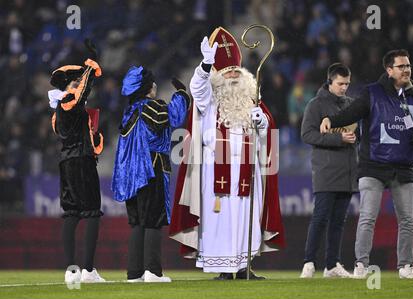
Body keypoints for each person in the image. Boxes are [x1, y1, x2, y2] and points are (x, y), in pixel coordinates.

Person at [169, 27, 285, 280]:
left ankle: (244, 267)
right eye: (226, 71)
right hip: (215, 167)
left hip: (247, 169)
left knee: (246, 215)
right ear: (217, 77)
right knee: (218, 218)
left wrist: (262, 121)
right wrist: (206, 64)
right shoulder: (209, 98)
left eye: (236, 71)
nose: (232, 74)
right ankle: (223, 269)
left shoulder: (252, 100)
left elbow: (267, 135)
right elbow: (197, 87)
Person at [320, 49, 413, 279]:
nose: (406, 69)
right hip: (373, 165)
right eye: (401, 66)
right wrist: (331, 119)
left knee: (408, 221)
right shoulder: (372, 93)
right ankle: (361, 265)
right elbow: (352, 113)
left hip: (403, 167)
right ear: (389, 70)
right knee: (368, 217)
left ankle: (406, 267)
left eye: (408, 65)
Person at [112, 66, 189, 282]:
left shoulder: (129, 112)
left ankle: (134, 273)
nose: (155, 86)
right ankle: (153, 272)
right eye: (152, 83)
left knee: (137, 223)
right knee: (153, 221)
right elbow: (175, 115)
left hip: (130, 174)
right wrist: (182, 94)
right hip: (151, 169)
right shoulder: (151, 108)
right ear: (147, 88)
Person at [49, 40, 105, 284]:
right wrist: (91, 65)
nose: (78, 85)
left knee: (71, 213)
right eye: (74, 82)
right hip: (81, 161)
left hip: (67, 162)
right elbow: (83, 89)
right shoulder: (69, 101)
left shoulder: (57, 114)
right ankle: (88, 270)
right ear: (68, 85)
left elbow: (83, 138)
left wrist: (95, 137)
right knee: (91, 213)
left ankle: (71, 270)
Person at [300, 63, 358, 278]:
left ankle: (332, 264)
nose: (344, 88)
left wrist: (355, 136)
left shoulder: (352, 105)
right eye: (340, 84)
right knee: (320, 217)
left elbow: (359, 131)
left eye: (347, 84)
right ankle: (309, 262)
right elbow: (307, 135)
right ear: (330, 82)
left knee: (339, 222)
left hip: (349, 169)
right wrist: (338, 138)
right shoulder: (315, 105)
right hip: (326, 169)